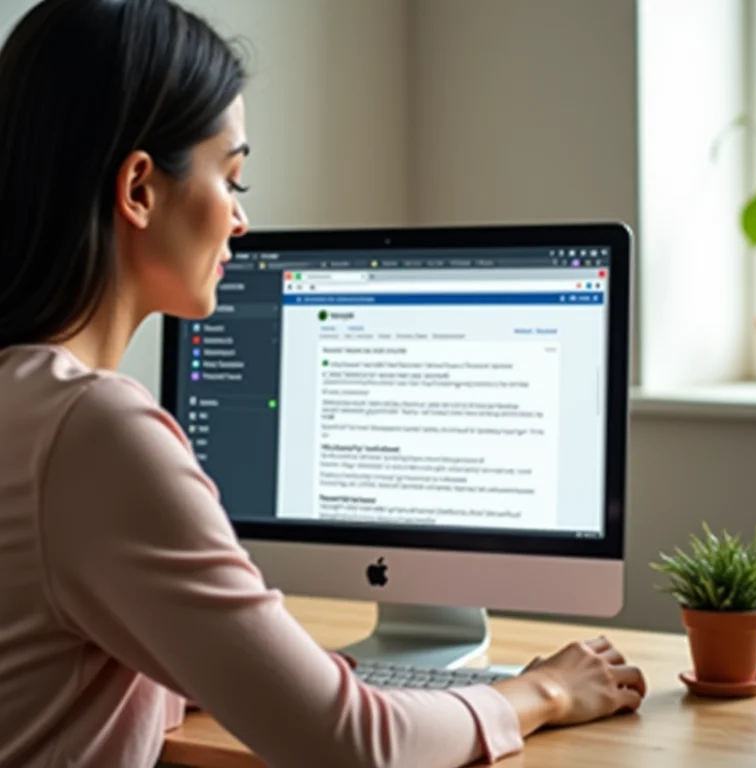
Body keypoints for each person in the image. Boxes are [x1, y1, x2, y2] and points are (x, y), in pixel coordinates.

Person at [0, 1, 647, 766]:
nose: (240, 220)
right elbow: (346, 743)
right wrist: (544, 692)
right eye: (231, 177)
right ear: (140, 188)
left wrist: (236, 665)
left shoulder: (25, 401)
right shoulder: (93, 430)